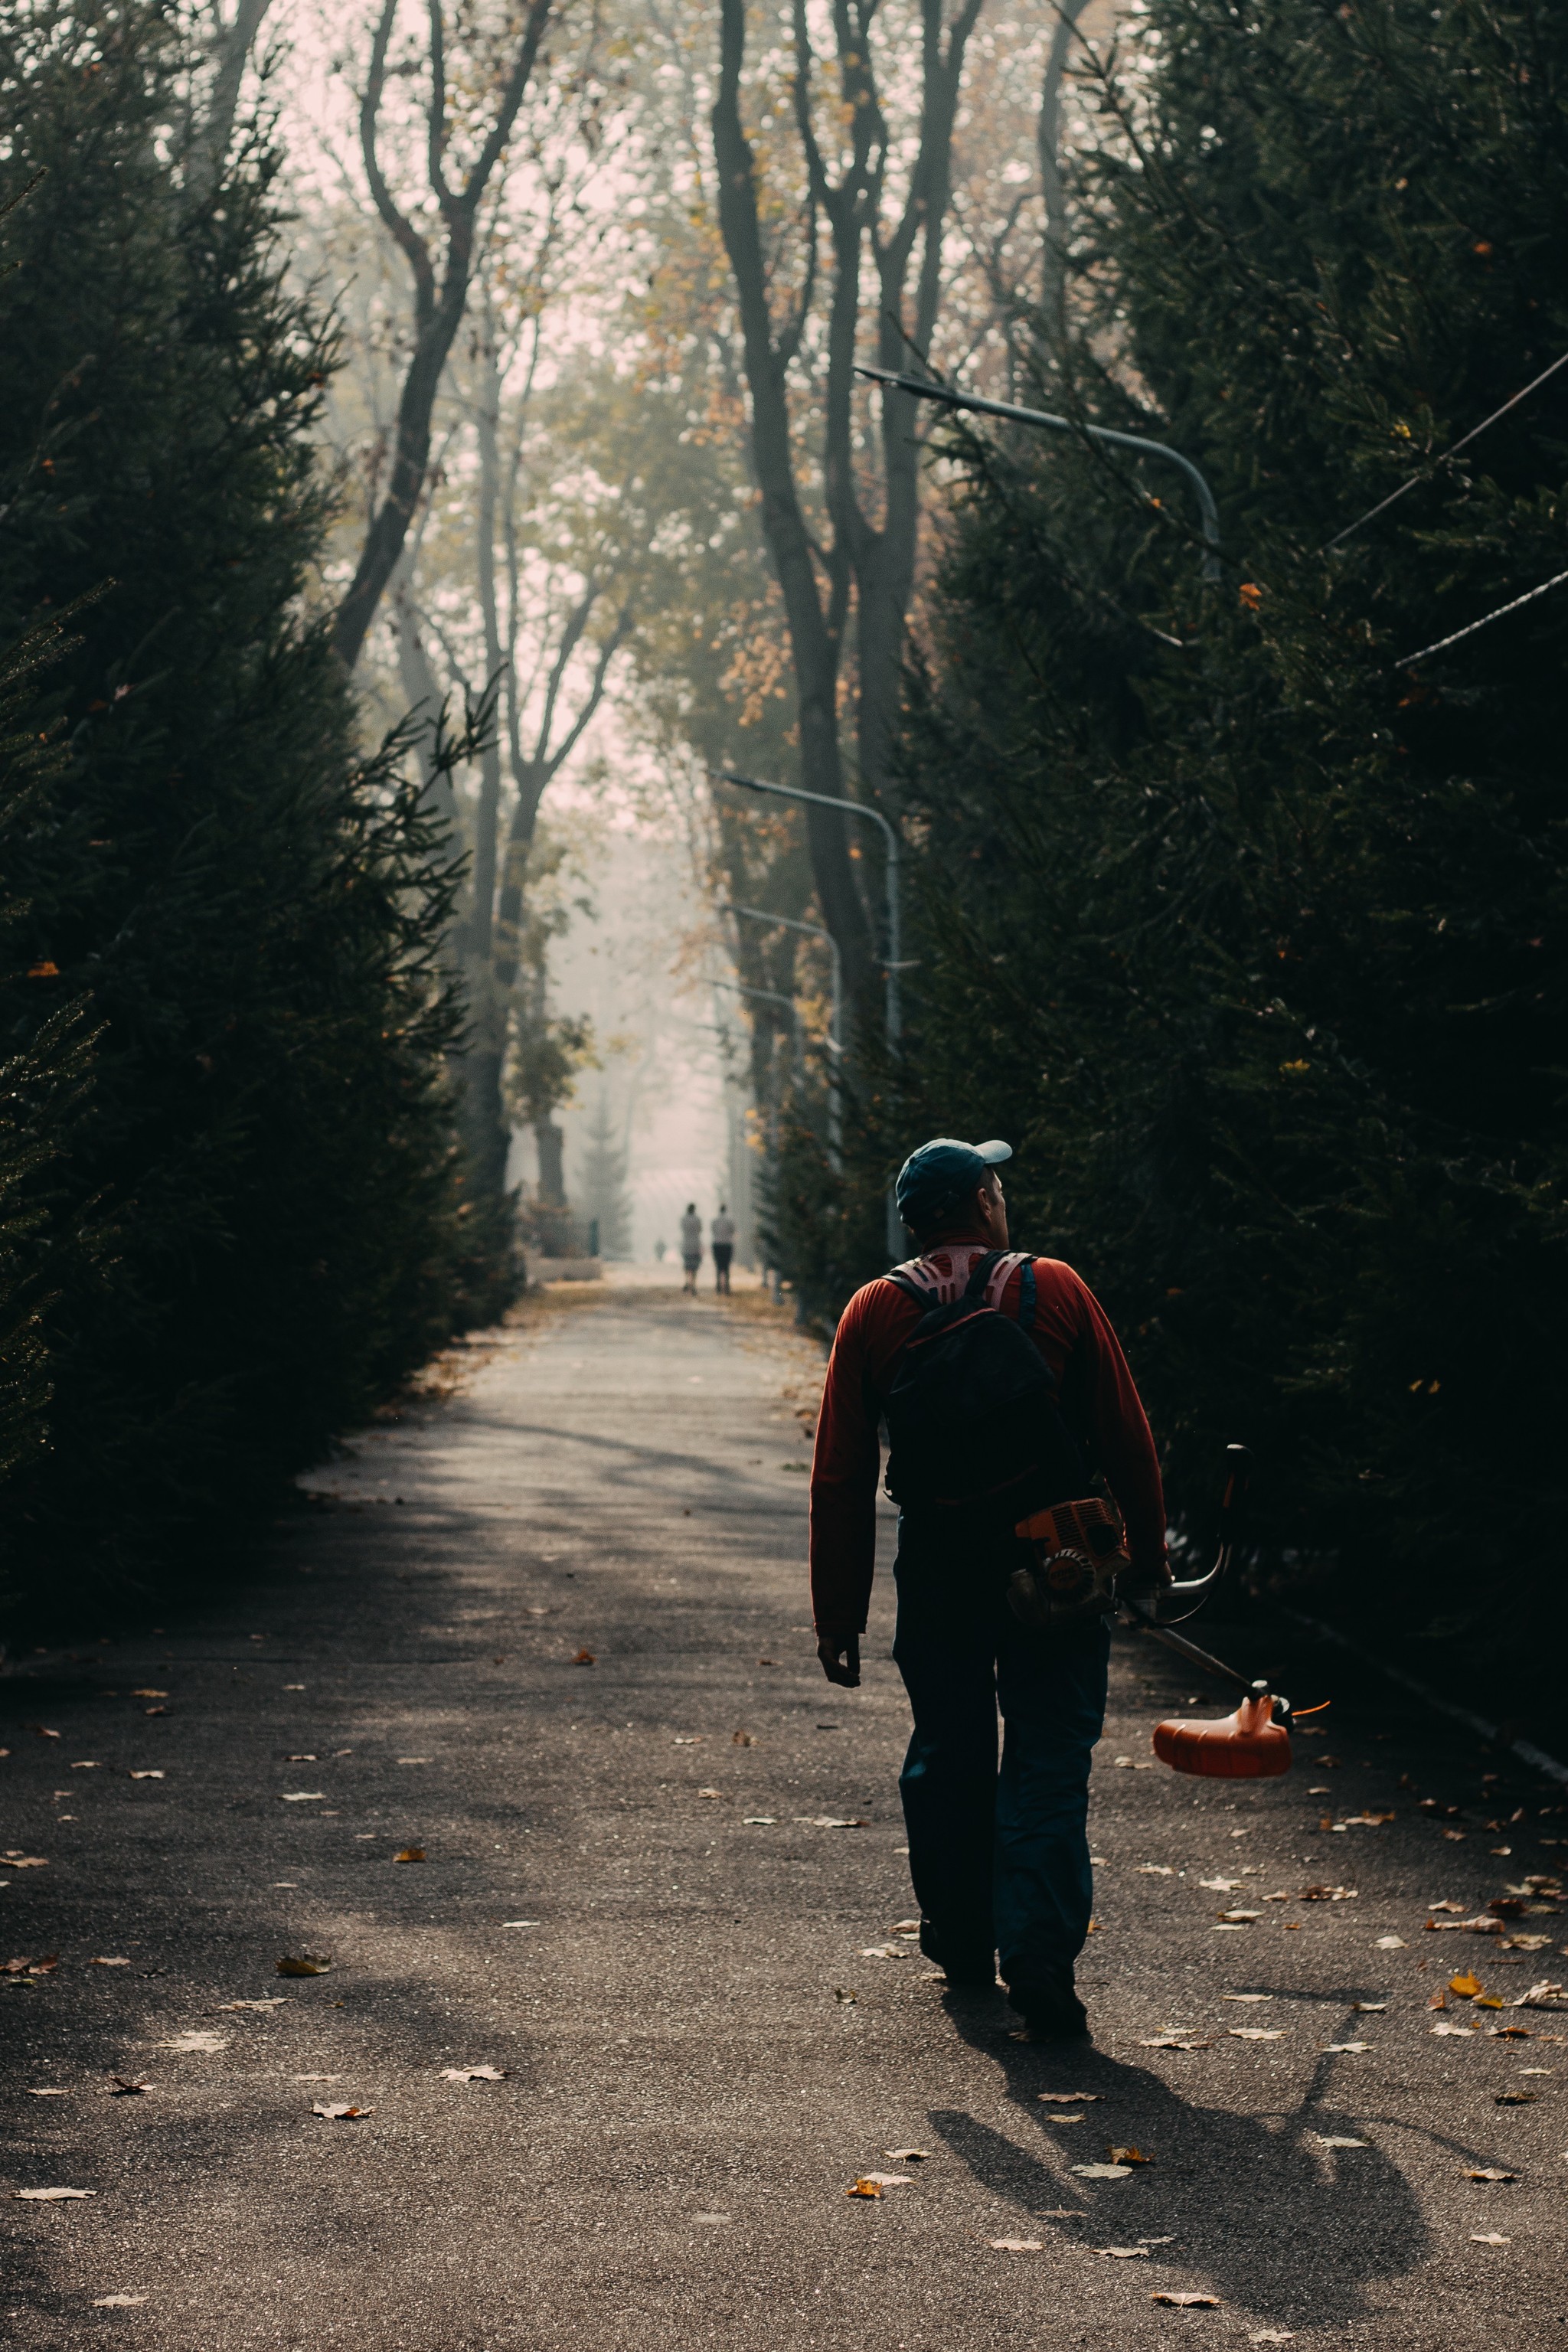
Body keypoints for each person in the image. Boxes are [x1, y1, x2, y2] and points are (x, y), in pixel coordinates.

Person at [808, 1135, 1169, 2041]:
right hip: (1055, 1560)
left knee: (947, 1749)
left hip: (938, 1564)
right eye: (996, 1184)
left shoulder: (873, 1312)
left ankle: (962, 1939)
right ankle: (1039, 1953)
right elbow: (1125, 1439)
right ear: (979, 1200)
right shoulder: (1054, 1290)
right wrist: (1149, 1566)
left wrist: (838, 1614)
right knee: (1048, 1753)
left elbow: (840, 1478)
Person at [710, 1203, 736, 1295]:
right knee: (726, 1266)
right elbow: (733, 1231)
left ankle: (718, 1286)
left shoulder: (715, 1221)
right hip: (727, 1245)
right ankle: (727, 1287)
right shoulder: (730, 1220)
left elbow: (713, 1231)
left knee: (718, 1266)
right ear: (726, 1210)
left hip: (717, 1244)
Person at [678, 1202, 703, 1295]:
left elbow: (682, 1229)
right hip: (695, 1244)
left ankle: (687, 1281)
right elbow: (700, 1230)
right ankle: (693, 1285)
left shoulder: (683, 1219)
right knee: (695, 1267)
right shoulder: (698, 1219)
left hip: (686, 1244)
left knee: (687, 1265)